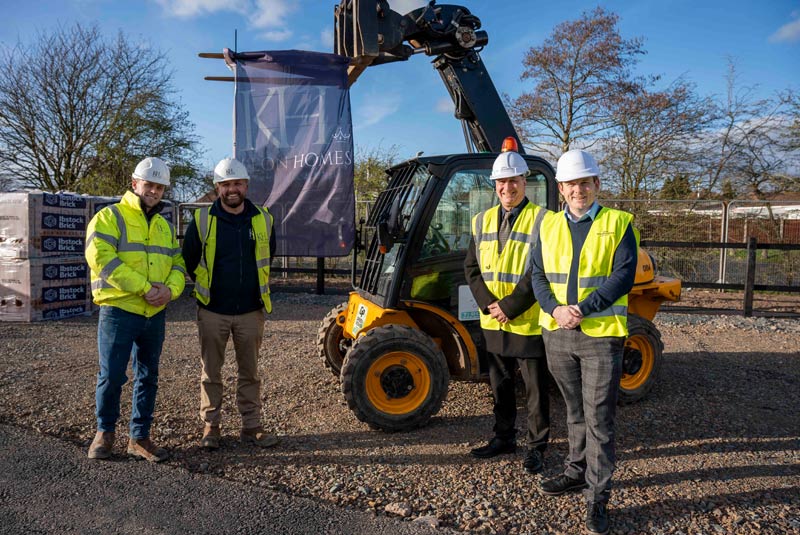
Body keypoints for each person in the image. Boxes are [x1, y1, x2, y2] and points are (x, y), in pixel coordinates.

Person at [530, 149, 638, 535]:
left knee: (599, 418)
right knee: (573, 410)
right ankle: (576, 472)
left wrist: (582, 308)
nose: (579, 189)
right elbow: (538, 275)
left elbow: (623, 275)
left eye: (585, 182)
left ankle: (598, 496)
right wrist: (556, 310)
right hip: (557, 333)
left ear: (597, 185)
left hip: (600, 336)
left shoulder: (619, 223)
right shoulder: (546, 226)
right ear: (561, 188)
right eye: (572, 183)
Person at [85, 157, 186, 462]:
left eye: (159, 186)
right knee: (113, 375)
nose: (154, 191)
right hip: (119, 310)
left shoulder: (165, 227)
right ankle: (104, 433)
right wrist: (145, 288)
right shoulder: (109, 217)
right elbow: (101, 259)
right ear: (134, 184)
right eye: (149, 184)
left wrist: (171, 290)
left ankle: (139, 437)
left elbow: (178, 264)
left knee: (148, 375)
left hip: (154, 314)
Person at [464, 147, 550, 475]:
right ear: (494, 185)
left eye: (512, 181)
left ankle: (538, 446)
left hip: (526, 320)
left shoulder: (544, 220)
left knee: (535, 390)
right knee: (499, 384)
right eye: (501, 182)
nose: (506, 188)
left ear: (524, 181)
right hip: (493, 321)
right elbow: (471, 268)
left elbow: (542, 270)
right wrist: (490, 305)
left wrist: (511, 306)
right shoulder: (481, 221)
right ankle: (503, 437)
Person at [182, 157, 277, 450]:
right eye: (225, 184)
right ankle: (211, 425)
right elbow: (189, 259)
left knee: (250, 372)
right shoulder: (201, 220)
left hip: (251, 310)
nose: (232, 189)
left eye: (237, 183)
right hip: (212, 310)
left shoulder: (263, 218)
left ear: (246, 185)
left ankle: (252, 426)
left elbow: (268, 256)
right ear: (217, 187)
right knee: (211, 371)